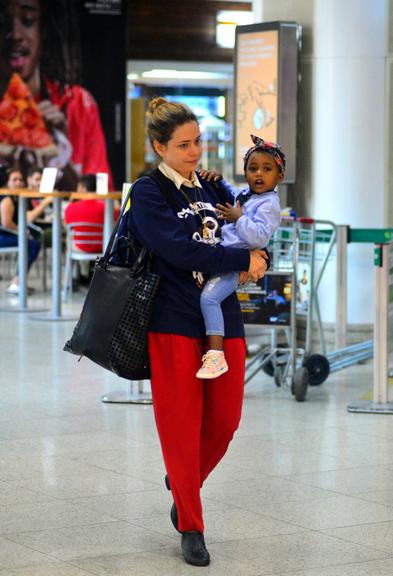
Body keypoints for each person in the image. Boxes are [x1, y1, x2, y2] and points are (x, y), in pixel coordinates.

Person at [127, 97, 268, 567]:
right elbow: (178, 250)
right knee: (181, 429)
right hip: (171, 319)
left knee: (224, 422)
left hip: (223, 320)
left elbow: (247, 230)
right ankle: (191, 524)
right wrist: (240, 261)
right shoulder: (147, 192)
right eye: (184, 145)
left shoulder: (210, 187)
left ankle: (184, 483)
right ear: (159, 147)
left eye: (198, 142)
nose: (194, 152)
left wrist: (260, 258)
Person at [0, 0, 113, 190]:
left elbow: (100, 194)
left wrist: (60, 154)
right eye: (2, 23)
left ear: (44, 30)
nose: (15, 35)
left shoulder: (78, 103)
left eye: (28, 20)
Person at [196, 135, 284, 379]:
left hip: (237, 263)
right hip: (226, 256)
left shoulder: (269, 204)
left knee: (209, 299)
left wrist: (238, 218)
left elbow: (259, 237)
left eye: (267, 169)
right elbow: (235, 196)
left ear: (280, 177)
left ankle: (216, 354)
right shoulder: (250, 195)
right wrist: (221, 182)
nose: (259, 174)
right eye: (252, 168)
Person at [0, 167, 50, 294]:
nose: (18, 183)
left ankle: (17, 281)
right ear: (8, 183)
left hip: (7, 234)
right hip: (3, 236)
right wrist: (20, 231)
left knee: (31, 243)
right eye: (14, 180)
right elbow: (6, 223)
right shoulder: (6, 199)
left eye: (20, 180)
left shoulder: (16, 197)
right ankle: (16, 282)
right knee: (32, 245)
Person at [64, 174, 119, 254]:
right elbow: (117, 224)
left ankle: (75, 266)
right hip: (103, 247)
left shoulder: (71, 207)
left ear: (82, 188)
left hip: (79, 247)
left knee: (68, 238)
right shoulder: (107, 207)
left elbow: (67, 226)